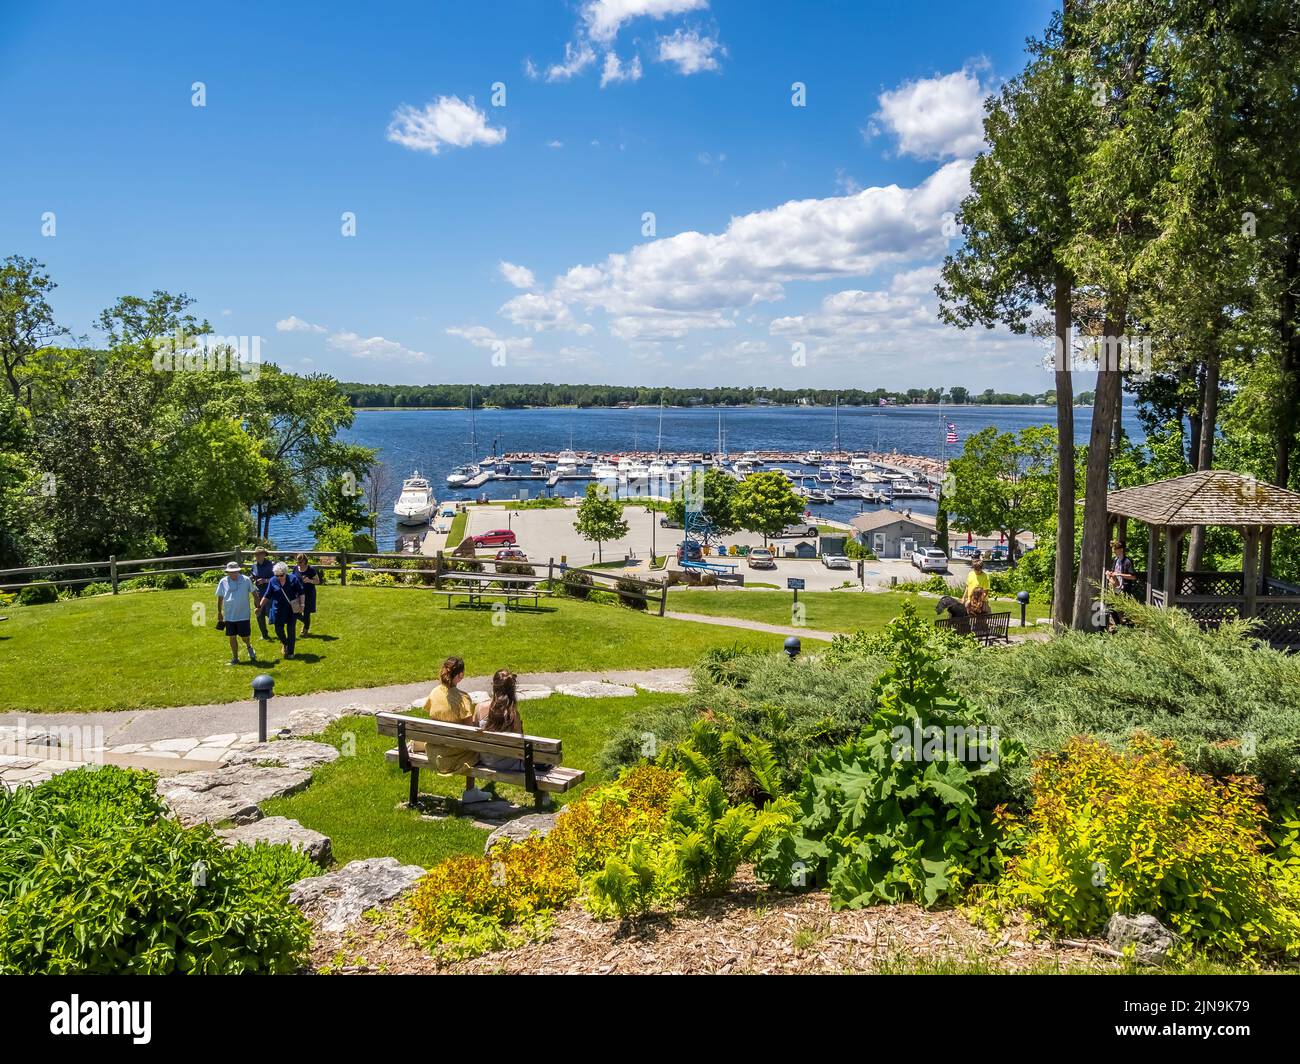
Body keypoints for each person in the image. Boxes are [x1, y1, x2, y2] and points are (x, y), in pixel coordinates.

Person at [418, 656, 491, 804]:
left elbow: (432, 714)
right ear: (460, 675)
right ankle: (470, 791)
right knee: (475, 747)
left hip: (434, 751)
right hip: (454, 756)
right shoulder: (463, 698)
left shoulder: (434, 692)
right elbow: (469, 733)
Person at [474, 669, 553, 775]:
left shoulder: (479, 708)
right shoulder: (513, 715)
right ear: (512, 690)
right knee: (548, 762)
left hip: (485, 760)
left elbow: (474, 736)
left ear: (493, 685)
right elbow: (520, 747)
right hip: (510, 764)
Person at [258, 561, 305, 660]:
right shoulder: (272, 580)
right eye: (277, 575)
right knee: (278, 630)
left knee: (291, 631)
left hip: (291, 609)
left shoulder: (293, 579)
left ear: (286, 572)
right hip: (278, 609)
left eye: (281, 575)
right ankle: (285, 643)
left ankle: (291, 652)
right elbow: (267, 595)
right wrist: (260, 607)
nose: (279, 577)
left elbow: (301, 593)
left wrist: (302, 605)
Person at [215, 560, 258, 665]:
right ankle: (235, 658)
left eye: (235, 571)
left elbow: (254, 592)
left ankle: (248, 646)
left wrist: (258, 604)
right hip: (229, 615)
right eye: (230, 572)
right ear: (227, 572)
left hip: (243, 614)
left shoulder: (246, 580)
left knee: (244, 637)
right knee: (232, 636)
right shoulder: (223, 581)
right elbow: (220, 598)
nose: (233, 573)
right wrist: (219, 612)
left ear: (238, 571)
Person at [250, 547, 276, 640]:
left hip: (269, 594)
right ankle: (264, 635)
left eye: (260, 554)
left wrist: (265, 580)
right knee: (259, 613)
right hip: (258, 594)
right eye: (256, 554)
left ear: (264, 555)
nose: (257, 556)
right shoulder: (253, 566)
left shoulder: (271, 565)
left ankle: (281, 632)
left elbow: (277, 579)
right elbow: (252, 576)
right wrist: (251, 579)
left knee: (271, 613)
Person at [293, 553, 322, 636]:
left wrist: (310, 580)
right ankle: (305, 621)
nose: (298, 564)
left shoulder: (310, 569)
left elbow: (318, 581)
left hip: (309, 594)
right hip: (297, 594)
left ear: (305, 561)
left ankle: (305, 629)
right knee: (295, 611)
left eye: (300, 562)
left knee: (306, 612)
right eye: (297, 562)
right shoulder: (295, 568)